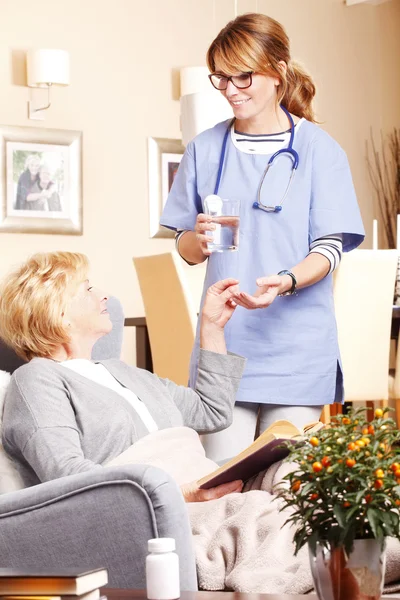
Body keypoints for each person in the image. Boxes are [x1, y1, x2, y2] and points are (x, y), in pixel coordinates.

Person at [160, 13, 365, 463]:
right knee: (220, 482)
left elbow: (329, 250)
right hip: (223, 346)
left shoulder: (319, 150)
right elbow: (185, 250)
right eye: (221, 78)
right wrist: (196, 235)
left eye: (243, 76)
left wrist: (287, 280)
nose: (231, 90)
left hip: (296, 346)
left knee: (289, 495)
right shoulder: (204, 149)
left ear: (278, 71)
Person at [0, 252, 245, 502]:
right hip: (156, 508)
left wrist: (212, 327)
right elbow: (67, 474)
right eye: (88, 289)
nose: (104, 295)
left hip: (197, 486)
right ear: (58, 312)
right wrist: (178, 495)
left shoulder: (123, 372)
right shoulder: (37, 379)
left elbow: (212, 411)